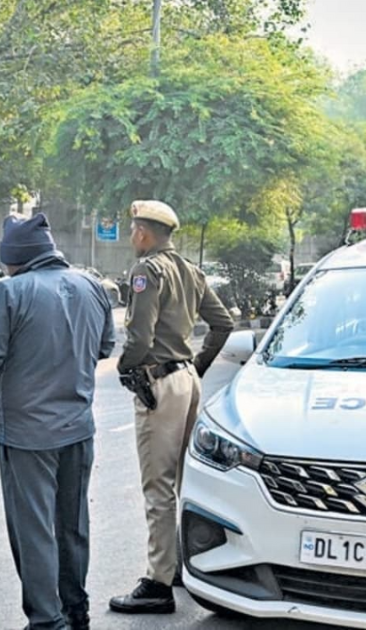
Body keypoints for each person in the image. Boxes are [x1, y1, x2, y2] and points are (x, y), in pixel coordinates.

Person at [0, 214, 116, 630]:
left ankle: (47, 621)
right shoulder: (92, 286)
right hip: (78, 428)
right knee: (72, 526)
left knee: (34, 531)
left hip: (29, 435)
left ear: (14, 259)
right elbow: (105, 346)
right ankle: (76, 610)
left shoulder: (10, 292)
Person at [109, 200, 234, 615]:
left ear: (143, 233)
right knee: (182, 480)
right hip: (187, 380)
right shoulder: (191, 271)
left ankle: (158, 582)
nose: (132, 238)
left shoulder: (147, 270)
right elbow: (223, 324)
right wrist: (195, 366)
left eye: (133, 231)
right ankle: (178, 565)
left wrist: (125, 367)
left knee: (157, 485)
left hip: (160, 383)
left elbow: (140, 339)